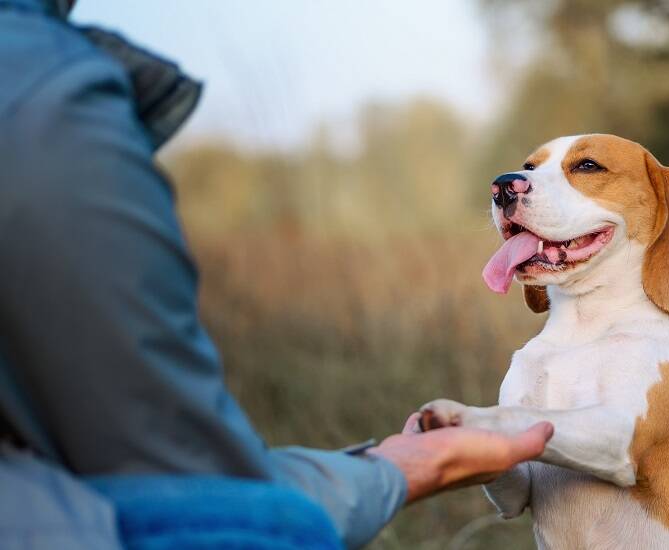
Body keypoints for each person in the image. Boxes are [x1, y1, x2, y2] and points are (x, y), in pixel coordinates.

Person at [0, 1, 554, 548]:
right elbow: (208, 497)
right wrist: (400, 471)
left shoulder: (40, 86)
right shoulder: (44, 94)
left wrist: (391, 468)